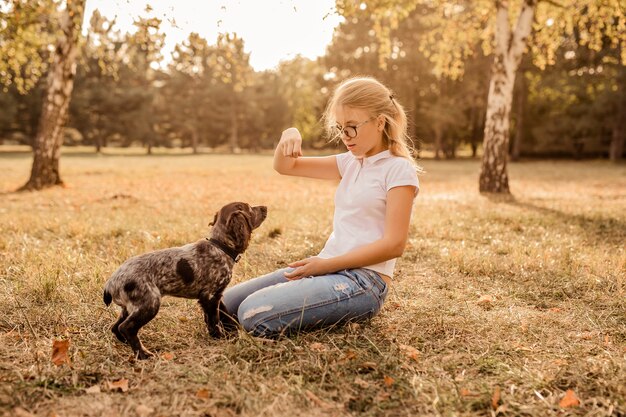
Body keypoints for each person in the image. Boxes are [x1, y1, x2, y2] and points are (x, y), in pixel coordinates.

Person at [220, 76, 420, 338]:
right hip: (327, 268)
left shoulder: (398, 169)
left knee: (251, 314)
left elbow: (394, 245)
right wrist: (288, 134)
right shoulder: (350, 162)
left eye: (352, 127)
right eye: (340, 128)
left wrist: (326, 266)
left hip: (364, 282)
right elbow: (285, 166)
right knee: (224, 305)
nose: (345, 137)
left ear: (380, 121)